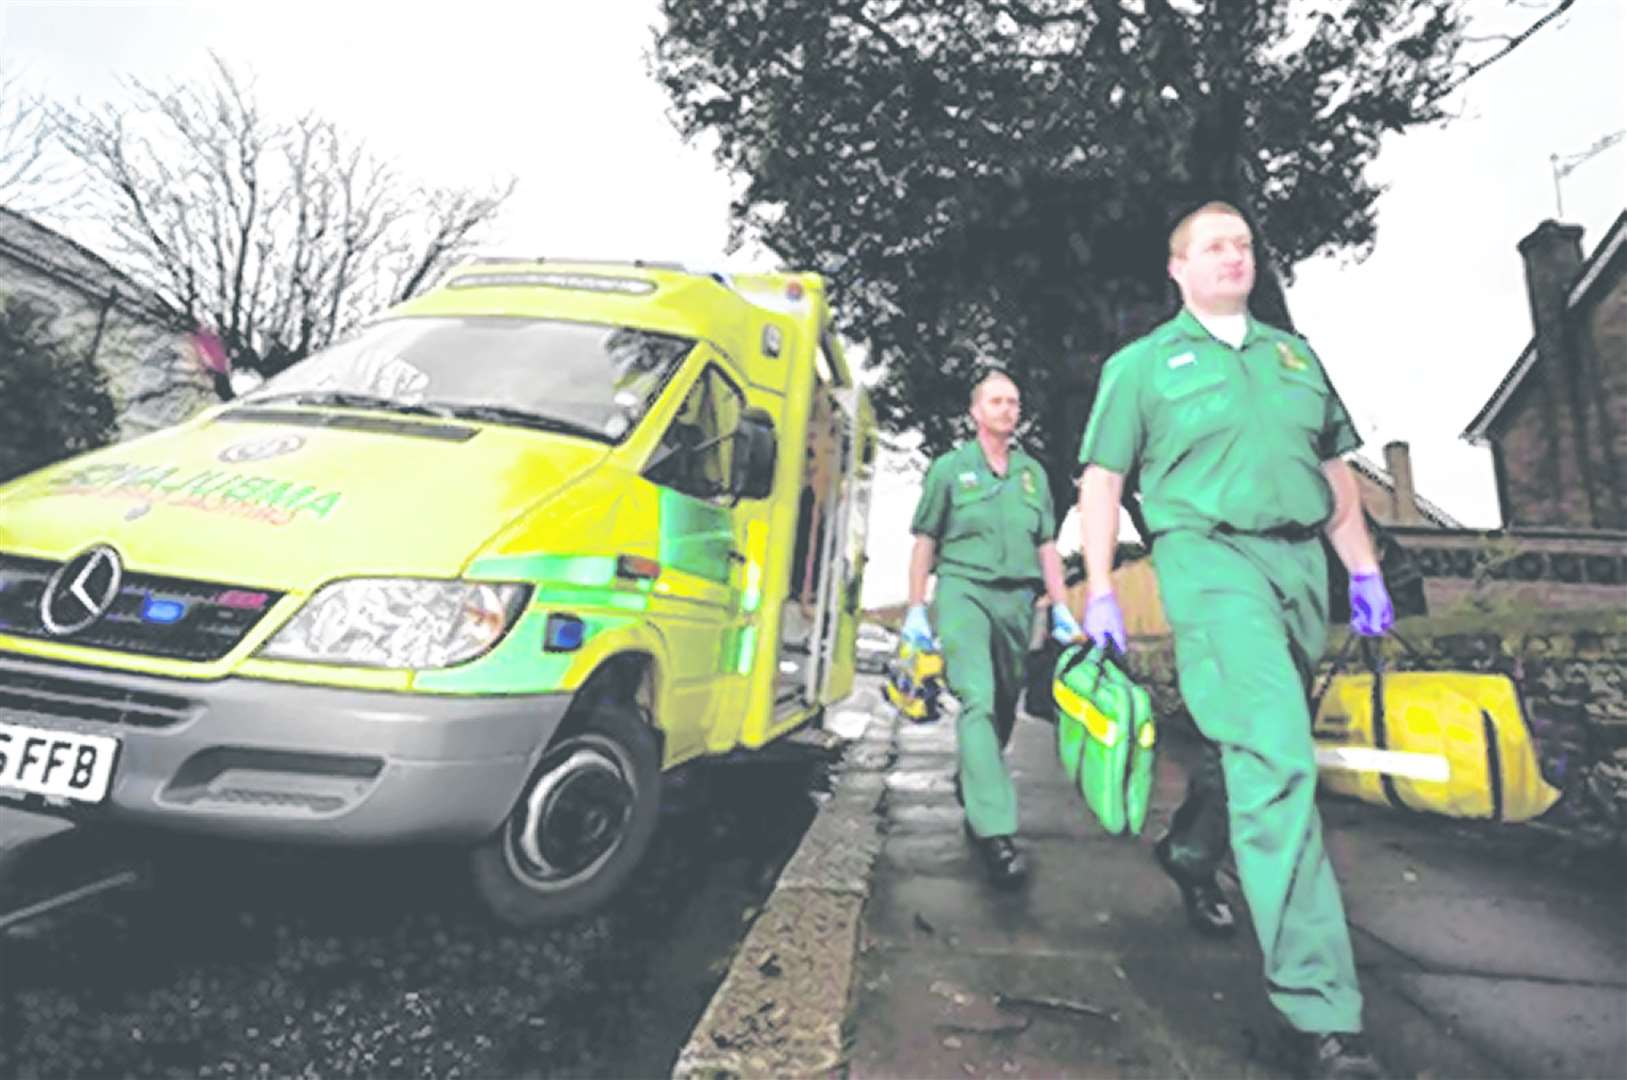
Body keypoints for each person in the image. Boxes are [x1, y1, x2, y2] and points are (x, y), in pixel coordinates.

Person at [1075, 201, 1393, 1080]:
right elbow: (1102, 478)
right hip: (1206, 559)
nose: (1234, 255)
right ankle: (1319, 1010)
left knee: (1253, 742)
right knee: (1279, 756)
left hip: (1299, 569)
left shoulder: (1294, 358)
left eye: (1244, 244)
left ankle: (1191, 848)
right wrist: (1099, 585)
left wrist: (1360, 570)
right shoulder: (1142, 366)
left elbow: (1333, 475)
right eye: (1214, 245)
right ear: (1176, 269)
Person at [905, 369, 1080, 887]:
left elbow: (1047, 544)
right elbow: (924, 540)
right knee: (978, 699)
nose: (1008, 409)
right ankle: (996, 830)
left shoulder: (1032, 476)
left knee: (1005, 702)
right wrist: (917, 607)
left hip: (1018, 600)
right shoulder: (948, 470)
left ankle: (975, 777)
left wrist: (1063, 607)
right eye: (997, 402)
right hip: (964, 590)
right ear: (976, 412)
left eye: (1014, 402)